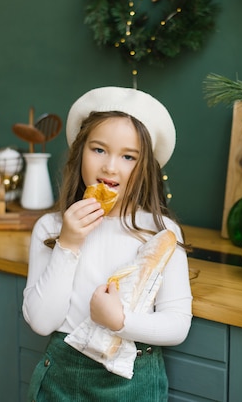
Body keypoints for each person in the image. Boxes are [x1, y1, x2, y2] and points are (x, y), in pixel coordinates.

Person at [22, 86, 192, 401]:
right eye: (98, 149)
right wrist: (69, 243)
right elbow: (42, 322)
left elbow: (178, 324)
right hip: (61, 382)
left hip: (134, 386)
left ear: (146, 168)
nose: (110, 166)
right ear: (79, 152)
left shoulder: (161, 232)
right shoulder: (50, 227)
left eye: (128, 156)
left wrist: (120, 322)